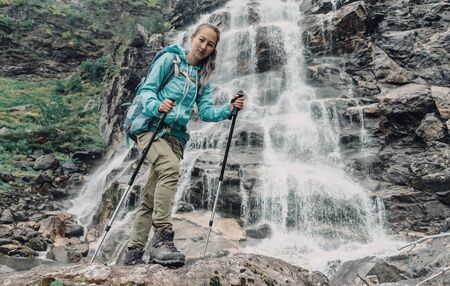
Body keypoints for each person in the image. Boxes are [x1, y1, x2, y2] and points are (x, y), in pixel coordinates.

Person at [124, 23, 245, 267]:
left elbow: (207, 112)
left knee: (150, 195)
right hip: (151, 127)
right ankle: (162, 239)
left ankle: (134, 252)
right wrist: (157, 106)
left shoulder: (202, 77)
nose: (204, 46)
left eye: (210, 44)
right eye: (202, 40)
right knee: (170, 169)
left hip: (176, 137)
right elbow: (147, 91)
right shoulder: (169, 60)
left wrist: (229, 109)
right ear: (192, 37)